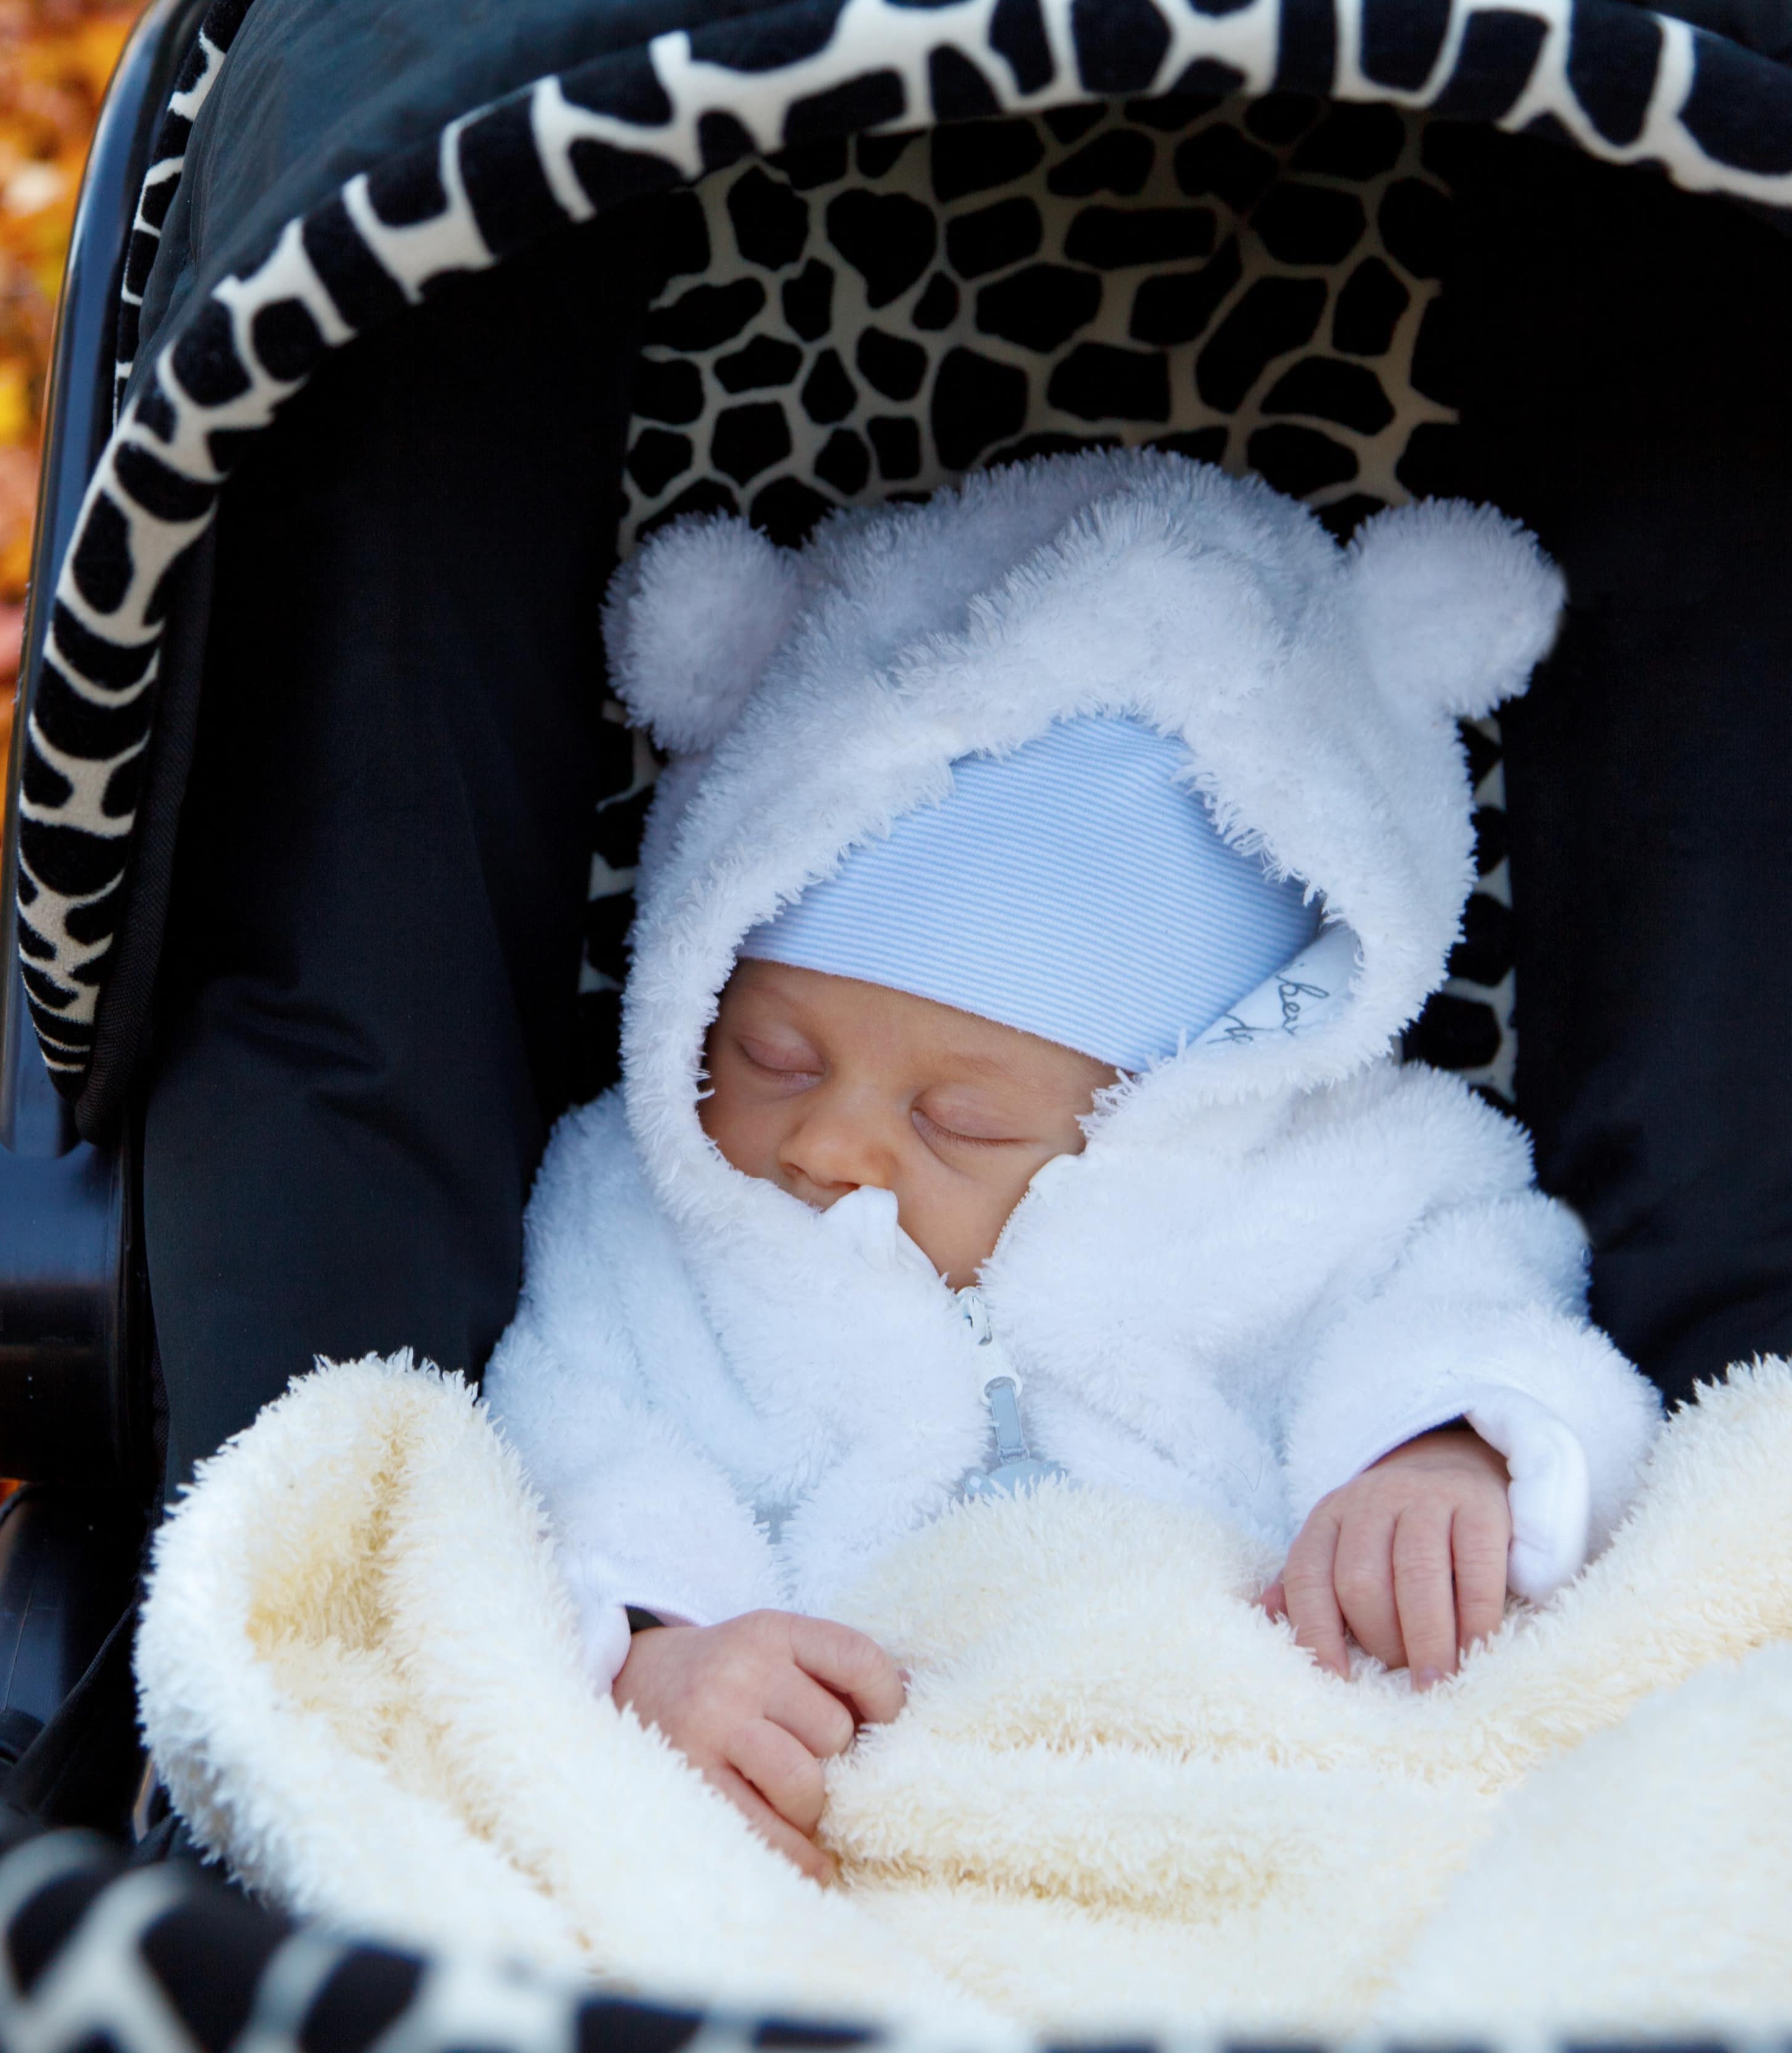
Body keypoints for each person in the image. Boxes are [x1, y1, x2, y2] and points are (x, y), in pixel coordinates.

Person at [483, 450, 1661, 1881]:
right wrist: (658, 1652)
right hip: (857, 1830)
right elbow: (571, 1450)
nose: (828, 1140)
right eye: (773, 1057)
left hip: (1284, 1785)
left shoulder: (1323, 1188)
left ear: (1185, 1095)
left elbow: (1476, 1295)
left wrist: (1446, 1448)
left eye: (960, 1120)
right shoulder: (643, 1219)